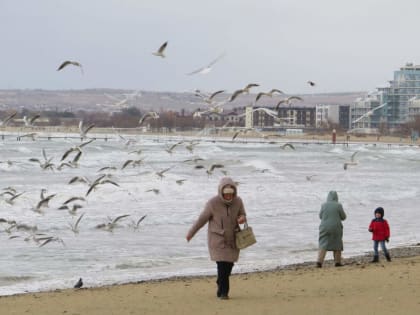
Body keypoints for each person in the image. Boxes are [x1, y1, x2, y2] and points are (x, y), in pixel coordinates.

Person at [186, 177, 246, 300]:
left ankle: (220, 282)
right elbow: (201, 220)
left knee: (228, 266)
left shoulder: (238, 201)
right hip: (217, 240)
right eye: (226, 194)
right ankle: (224, 293)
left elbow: (242, 214)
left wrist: (242, 218)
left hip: (233, 240)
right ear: (221, 192)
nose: (229, 196)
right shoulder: (212, 203)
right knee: (222, 266)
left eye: (231, 194)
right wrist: (191, 233)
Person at [316, 191, 347, 268]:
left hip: (324, 227)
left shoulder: (323, 205)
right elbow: (343, 217)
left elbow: (320, 216)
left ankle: (319, 262)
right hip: (336, 227)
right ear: (336, 197)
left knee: (323, 244)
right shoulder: (338, 205)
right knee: (337, 243)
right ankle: (337, 262)